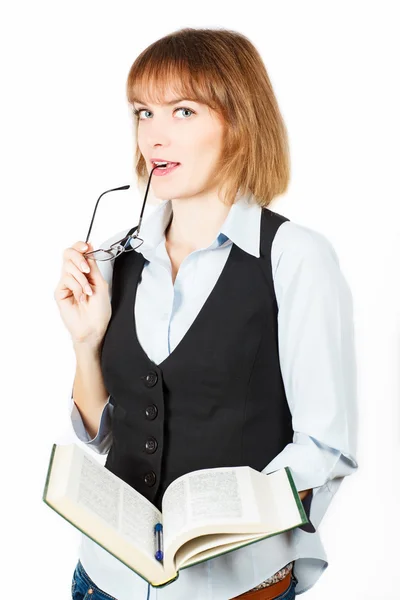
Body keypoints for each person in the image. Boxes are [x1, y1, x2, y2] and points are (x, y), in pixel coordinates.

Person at [54, 27, 358, 600]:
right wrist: (86, 342)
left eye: (183, 111)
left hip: (232, 589)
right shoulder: (120, 257)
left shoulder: (294, 258)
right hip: (106, 581)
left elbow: (322, 447)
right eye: (144, 112)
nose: (155, 135)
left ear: (240, 127)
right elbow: (110, 435)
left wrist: (221, 524)